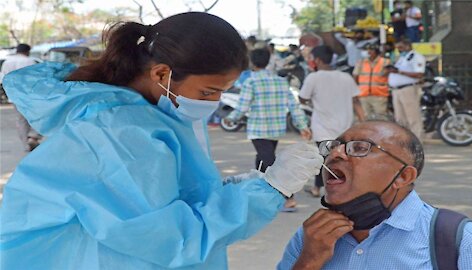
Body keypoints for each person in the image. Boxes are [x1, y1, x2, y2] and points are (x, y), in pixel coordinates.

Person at [0, 12, 324, 270]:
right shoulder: (124, 132)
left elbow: (160, 197)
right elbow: (172, 238)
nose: (213, 102)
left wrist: (231, 189)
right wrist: (270, 191)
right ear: (161, 74)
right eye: (208, 92)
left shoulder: (142, 115)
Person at [277, 120, 472, 269]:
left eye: (359, 147)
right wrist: (309, 261)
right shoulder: (312, 236)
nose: (336, 153)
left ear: (403, 176)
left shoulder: (458, 240)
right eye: (333, 146)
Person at [225, 48, 312, 212]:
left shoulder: (251, 82)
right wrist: (302, 126)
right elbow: (294, 106)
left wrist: (231, 118)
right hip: (276, 129)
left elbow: (242, 107)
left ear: (252, 62)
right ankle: (262, 193)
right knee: (263, 159)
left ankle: (288, 197)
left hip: (258, 129)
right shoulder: (280, 81)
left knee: (269, 161)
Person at [299, 45, 365, 198]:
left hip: (323, 128)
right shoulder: (346, 77)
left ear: (318, 60)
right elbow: (356, 101)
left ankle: (325, 188)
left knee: (325, 158)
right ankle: (325, 186)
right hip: (345, 127)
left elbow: (303, 97)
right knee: (340, 158)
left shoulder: (313, 77)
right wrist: (363, 122)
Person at [0, 43, 41, 151]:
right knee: (37, 116)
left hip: (15, 96)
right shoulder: (29, 61)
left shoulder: (7, 62)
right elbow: (35, 78)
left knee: (21, 120)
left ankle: (25, 145)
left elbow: (3, 79)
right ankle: (34, 137)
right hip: (29, 95)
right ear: (27, 51)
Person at [387, 39, 425, 140]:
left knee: (413, 117)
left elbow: (419, 74)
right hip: (396, 90)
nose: (399, 50)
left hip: (408, 89)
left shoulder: (416, 57)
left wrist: (399, 72)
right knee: (400, 119)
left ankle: (417, 140)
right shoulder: (402, 58)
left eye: (401, 48)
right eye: (398, 48)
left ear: (408, 46)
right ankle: (404, 141)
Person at [353, 43, 391, 120]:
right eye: (367, 50)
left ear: (376, 51)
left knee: (381, 118)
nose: (368, 52)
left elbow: (389, 76)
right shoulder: (361, 62)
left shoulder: (385, 62)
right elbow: (355, 76)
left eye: (371, 50)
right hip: (363, 95)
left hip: (379, 95)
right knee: (364, 118)